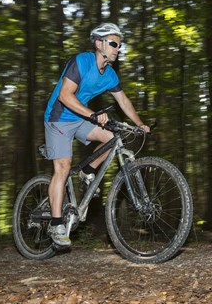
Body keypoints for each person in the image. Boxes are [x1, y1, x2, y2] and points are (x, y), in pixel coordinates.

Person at [43, 22, 150, 247]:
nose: (117, 48)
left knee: (112, 138)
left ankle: (87, 170)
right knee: (62, 168)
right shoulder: (81, 62)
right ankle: (56, 224)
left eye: (119, 45)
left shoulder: (109, 74)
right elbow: (64, 95)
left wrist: (139, 124)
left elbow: (123, 100)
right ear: (99, 43)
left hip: (80, 118)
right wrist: (92, 115)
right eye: (113, 43)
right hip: (58, 118)